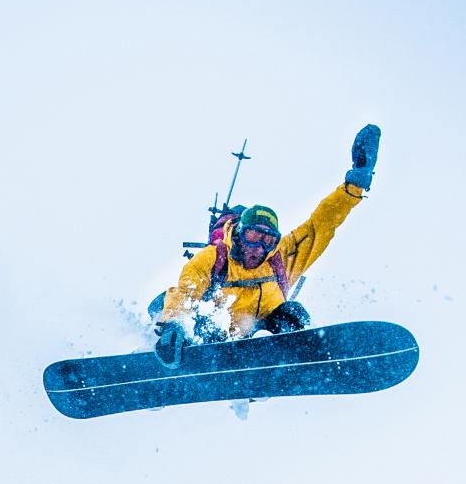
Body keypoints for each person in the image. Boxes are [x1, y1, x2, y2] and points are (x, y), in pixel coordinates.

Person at [154, 124, 382, 367]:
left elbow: (321, 224)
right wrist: (175, 324)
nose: (259, 248)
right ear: (240, 233)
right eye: (254, 236)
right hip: (213, 339)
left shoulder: (281, 259)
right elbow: (185, 293)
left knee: (292, 311)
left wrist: (353, 187)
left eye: (268, 240)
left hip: (262, 337)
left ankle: (293, 360)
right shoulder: (212, 258)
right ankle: (182, 354)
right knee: (198, 319)